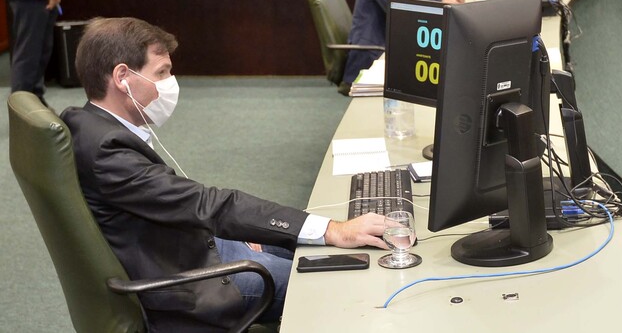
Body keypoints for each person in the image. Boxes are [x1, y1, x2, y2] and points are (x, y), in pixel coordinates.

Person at [60, 17, 387, 331]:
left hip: (192, 245)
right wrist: (333, 229)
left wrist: (239, 231)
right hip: (193, 282)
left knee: (323, 249)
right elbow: (206, 204)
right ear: (122, 77)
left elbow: (180, 204)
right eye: (161, 72)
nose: (170, 83)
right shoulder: (108, 151)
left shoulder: (85, 123)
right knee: (336, 279)